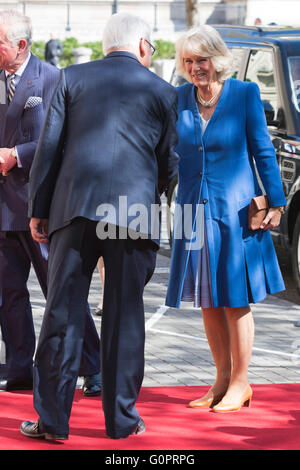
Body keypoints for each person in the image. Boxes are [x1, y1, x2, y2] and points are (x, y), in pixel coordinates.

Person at [20, 12, 178, 441]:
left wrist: (39, 208)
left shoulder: (71, 78)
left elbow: (49, 149)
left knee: (62, 315)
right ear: (144, 46)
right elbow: (168, 163)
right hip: (133, 214)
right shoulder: (164, 91)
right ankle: (122, 421)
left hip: (74, 208)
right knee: (125, 317)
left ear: (105, 45)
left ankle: (52, 422)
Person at [166, 25, 286, 413]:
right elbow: (165, 154)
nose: (195, 67)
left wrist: (277, 203)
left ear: (217, 59)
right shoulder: (179, 98)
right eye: (188, 61)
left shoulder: (245, 94)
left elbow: (263, 152)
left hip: (234, 211)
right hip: (191, 210)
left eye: (201, 59)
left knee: (235, 299)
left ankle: (241, 383)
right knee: (207, 301)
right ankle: (219, 380)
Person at [0, 10, 101, 395]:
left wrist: (17, 154)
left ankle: (93, 367)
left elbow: (61, 138)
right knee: (9, 293)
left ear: (21, 45)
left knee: (61, 291)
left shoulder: (53, 78)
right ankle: (20, 367)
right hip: (3, 206)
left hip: (39, 206)